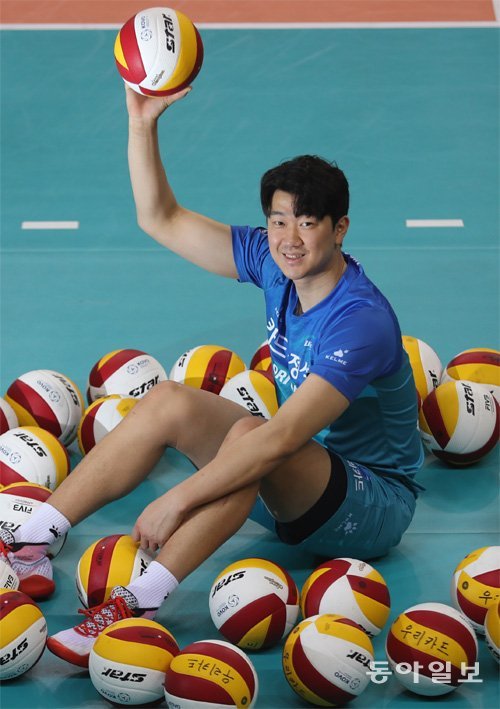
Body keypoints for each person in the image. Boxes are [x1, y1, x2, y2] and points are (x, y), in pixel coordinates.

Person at [0, 85, 424, 668]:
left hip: (371, 503)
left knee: (253, 437)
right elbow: (161, 218)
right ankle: (34, 537)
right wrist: (142, 122)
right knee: (170, 399)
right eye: (278, 221)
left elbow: (281, 439)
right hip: (294, 480)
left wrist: (177, 500)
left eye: (307, 223)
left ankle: (134, 604)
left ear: (340, 228)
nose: (289, 239)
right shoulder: (276, 264)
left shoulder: (362, 322)